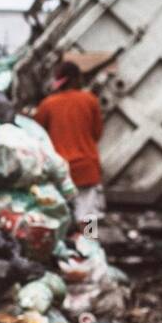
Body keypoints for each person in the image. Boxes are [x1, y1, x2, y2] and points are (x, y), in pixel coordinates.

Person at [34, 60, 104, 225]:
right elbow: (97, 133)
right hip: (86, 168)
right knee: (88, 215)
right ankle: (89, 245)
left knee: (59, 217)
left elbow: (37, 135)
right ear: (75, 79)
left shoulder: (47, 105)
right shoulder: (90, 101)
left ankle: (66, 246)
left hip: (59, 171)